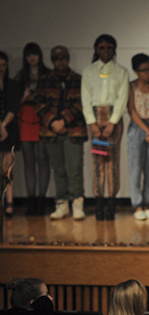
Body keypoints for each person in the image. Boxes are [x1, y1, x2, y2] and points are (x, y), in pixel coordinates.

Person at [34, 46, 88, 220]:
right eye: (57, 59)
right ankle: (61, 204)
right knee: (58, 170)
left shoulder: (78, 79)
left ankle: (77, 204)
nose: (61, 61)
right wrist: (53, 122)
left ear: (68, 58)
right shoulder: (44, 80)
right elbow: (38, 104)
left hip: (73, 129)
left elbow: (82, 103)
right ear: (52, 60)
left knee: (74, 169)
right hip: (51, 131)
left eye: (64, 58)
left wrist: (63, 120)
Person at [81, 34, 129, 221]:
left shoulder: (121, 71)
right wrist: (92, 123)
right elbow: (85, 98)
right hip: (94, 118)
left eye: (109, 47)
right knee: (97, 161)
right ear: (96, 49)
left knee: (112, 161)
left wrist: (112, 122)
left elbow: (122, 97)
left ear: (114, 49)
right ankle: (99, 203)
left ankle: (111, 204)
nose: (106, 50)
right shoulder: (89, 71)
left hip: (112, 119)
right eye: (102, 47)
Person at [14, 43, 51, 216]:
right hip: (26, 116)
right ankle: (31, 200)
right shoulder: (21, 75)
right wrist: (24, 97)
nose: (32, 58)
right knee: (29, 160)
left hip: (43, 117)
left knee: (43, 159)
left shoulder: (48, 74)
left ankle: (42, 200)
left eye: (35, 54)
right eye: (29, 55)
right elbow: (13, 102)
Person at [127, 53, 149, 221]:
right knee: (136, 168)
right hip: (137, 128)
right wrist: (145, 129)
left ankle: (147, 203)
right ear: (136, 71)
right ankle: (138, 205)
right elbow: (132, 111)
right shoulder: (131, 87)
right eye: (144, 70)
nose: (148, 73)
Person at [0, 52, 20, 218]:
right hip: (1, 128)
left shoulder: (12, 85)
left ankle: (9, 204)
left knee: (8, 169)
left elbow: (14, 107)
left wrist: (3, 125)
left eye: (3, 65)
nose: (0, 68)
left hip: (9, 130)